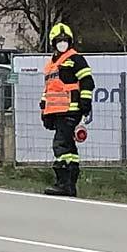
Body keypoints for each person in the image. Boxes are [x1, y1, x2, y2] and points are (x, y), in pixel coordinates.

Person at [40, 22, 95, 196]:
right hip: (57, 112)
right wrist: (44, 110)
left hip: (71, 110)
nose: (62, 43)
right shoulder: (52, 64)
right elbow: (49, 89)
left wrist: (85, 102)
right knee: (69, 147)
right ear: (53, 43)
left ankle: (64, 183)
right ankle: (69, 184)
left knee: (61, 145)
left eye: (65, 40)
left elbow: (87, 81)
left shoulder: (75, 59)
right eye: (59, 40)